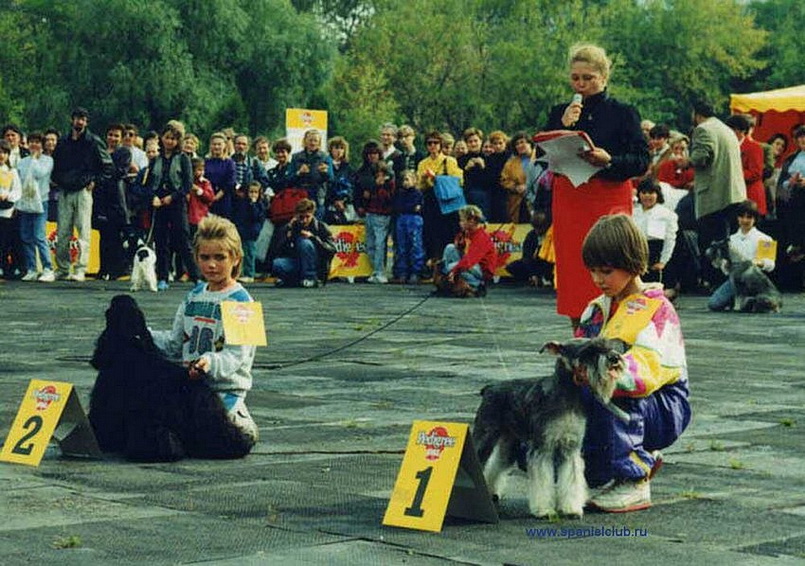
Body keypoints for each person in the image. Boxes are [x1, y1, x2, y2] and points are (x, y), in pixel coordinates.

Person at [575, 214, 690, 513]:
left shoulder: (658, 309)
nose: (598, 279)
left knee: (614, 389)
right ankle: (633, 457)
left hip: (661, 405)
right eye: (592, 271)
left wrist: (597, 374)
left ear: (631, 263)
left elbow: (645, 374)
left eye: (606, 271)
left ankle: (635, 479)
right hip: (608, 396)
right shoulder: (595, 310)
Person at [544, 43, 649, 327]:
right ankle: (579, 334)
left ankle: (620, 329)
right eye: (575, 77)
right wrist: (562, 126)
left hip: (608, 197)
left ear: (603, 77)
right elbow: (545, 154)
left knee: (612, 260)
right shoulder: (559, 112)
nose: (581, 84)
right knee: (575, 269)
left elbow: (641, 161)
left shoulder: (623, 113)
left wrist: (609, 160)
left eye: (588, 78)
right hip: (570, 198)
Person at [151, 214, 259, 447]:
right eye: (205, 257)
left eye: (220, 257)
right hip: (190, 388)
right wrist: (143, 334)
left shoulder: (244, 303)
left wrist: (208, 362)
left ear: (236, 258)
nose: (211, 265)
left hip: (224, 392)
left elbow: (237, 357)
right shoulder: (192, 296)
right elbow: (174, 344)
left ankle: (242, 420)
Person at [679, 100, 746, 286]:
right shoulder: (726, 129)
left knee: (711, 244)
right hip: (733, 193)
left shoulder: (703, 129)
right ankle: (726, 282)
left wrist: (686, 162)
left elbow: (701, 157)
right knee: (725, 241)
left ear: (696, 114)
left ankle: (713, 282)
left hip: (714, 195)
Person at [52, 106, 114, 281]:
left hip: (83, 190)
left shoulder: (93, 141)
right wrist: (57, 180)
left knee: (83, 232)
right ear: (72, 120)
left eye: (83, 119)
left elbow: (108, 166)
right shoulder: (63, 142)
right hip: (65, 190)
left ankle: (80, 268)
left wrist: (95, 181)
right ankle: (63, 268)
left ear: (86, 122)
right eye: (77, 118)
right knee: (62, 232)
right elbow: (55, 164)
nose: (79, 122)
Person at [147, 123, 200, 290]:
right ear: (161, 138)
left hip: (177, 203)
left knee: (183, 239)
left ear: (178, 141)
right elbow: (148, 184)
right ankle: (162, 277)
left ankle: (196, 277)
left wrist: (173, 197)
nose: (170, 141)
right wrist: (153, 197)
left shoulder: (183, 159)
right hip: (159, 203)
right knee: (161, 241)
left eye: (173, 139)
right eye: (167, 137)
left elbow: (187, 184)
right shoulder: (155, 160)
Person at [707, 200, 775, 311]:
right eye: (742, 217)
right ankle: (741, 300)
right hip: (736, 281)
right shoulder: (731, 239)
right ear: (737, 218)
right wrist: (724, 264)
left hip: (756, 280)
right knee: (713, 304)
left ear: (755, 219)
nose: (745, 220)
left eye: (749, 217)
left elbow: (771, 264)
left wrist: (757, 262)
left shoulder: (766, 239)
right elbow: (726, 270)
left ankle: (752, 300)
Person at [416, 130, 463, 264]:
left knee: (448, 233)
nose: (432, 146)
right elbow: (419, 186)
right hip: (430, 200)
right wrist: (424, 179)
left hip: (447, 200)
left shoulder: (449, 161)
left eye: (436, 143)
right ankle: (433, 263)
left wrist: (436, 178)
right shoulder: (422, 163)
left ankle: (450, 263)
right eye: (429, 143)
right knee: (431, 233)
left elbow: (459, 180)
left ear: (440, 145)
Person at [16, 132, 55, 282]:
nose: (34, 145)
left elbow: (39, 174)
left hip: (41, 202)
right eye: (31, 142)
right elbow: (19, 180)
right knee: (26, 236)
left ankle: (48, 268)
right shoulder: (22, 162)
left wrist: (33, 159)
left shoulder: (48, 160)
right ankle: (32, 268)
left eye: (37, 142)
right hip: (25, 202)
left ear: (42, 145)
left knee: (39, 235)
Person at [271, 198, 335, 288]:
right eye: (301, 217)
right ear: (296, 216)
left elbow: (332, 250)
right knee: (277, 264)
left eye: (307, 217)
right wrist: (287, 235)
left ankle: (311, 278)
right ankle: (296, 280)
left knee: (305, 243)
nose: (304, 220)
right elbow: (277, 251)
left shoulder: (321, 227)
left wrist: (313, 238)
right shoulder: (291, 227)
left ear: (312, 214)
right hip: (297, 261)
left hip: (316, 264)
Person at [438, 204, 497, 297]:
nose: (460, 223)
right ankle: (450, 281)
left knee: (449, 268)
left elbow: (470, 260)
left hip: (481, 270)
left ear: (471, 221)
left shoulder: (481, 237)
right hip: (471, 265)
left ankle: (477, 284)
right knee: (450, 248)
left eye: (462, 220)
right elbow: (459, 248)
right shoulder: (467, 233)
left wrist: (454, 271)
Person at [360, 160, 395, 284]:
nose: (379, 176)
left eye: (382, 173)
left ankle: (380, 271)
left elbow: (389, 199)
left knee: (379, 244)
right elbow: (366, 197)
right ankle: (375, 270)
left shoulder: (390, 184)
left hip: (382, 215)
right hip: (370, 213)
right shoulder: (371, 183)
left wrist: (380, 186)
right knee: (370, 244)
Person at [725, 114, 766, 217]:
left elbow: (756, 173)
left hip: (751, 196)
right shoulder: (728, 147)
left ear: (741, 131)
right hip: (734, 198)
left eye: (731, 130)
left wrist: (733, 174)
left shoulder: (754, 147)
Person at [392, 169, 425, 284]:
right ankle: (402, 272)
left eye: (407, 179)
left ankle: (416, 271)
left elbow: (417, 207)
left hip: (414, 219)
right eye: (403, 180)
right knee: (402, 246)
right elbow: (398, 206)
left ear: (415, 180)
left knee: (415, 245)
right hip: (402, 218)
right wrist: (410, 207)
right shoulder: (400, 193)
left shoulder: (418, 193)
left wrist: (410, 207)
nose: (405, 182)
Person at [777, 125, 805, 261]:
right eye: (800, 136)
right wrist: (790, 182)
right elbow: (782, 184)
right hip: (793, 207)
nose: (803, 139)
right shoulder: (790, 158)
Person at [232, 181, 266, 283]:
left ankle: (249, 273)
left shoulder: (259, 205)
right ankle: (242, 272)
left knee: (250, 253)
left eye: (256, 192)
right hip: (243, 230)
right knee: (242, 252)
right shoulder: (243, 203)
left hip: (251, 232)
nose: (253, 194)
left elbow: (255, 216)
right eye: (251, 192)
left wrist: (253, 204)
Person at [0, 140, 22, 279]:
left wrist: (7, 196)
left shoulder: (12, 172)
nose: (1, 155)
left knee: (5, 242)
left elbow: (17, 191)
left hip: (6, 211)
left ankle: (4, 267)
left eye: (4, 152)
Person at [206, 132, 237, 220]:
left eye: (219, 144)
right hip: (207, 199)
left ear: (224, 146)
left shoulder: (229, 163)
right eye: (214, 144)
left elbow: (231, 181)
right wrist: (208, 197)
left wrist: (216, 197)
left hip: (224, 199)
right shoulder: (206, 161)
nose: (216, 147)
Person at [188, 157, 215, 241]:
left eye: (203, 170)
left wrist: (199, 190)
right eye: (199, 170)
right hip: (188, 216)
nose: (202, 172)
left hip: (200, 216)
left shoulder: (205, 183)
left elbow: (210, 197)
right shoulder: (186, 182)